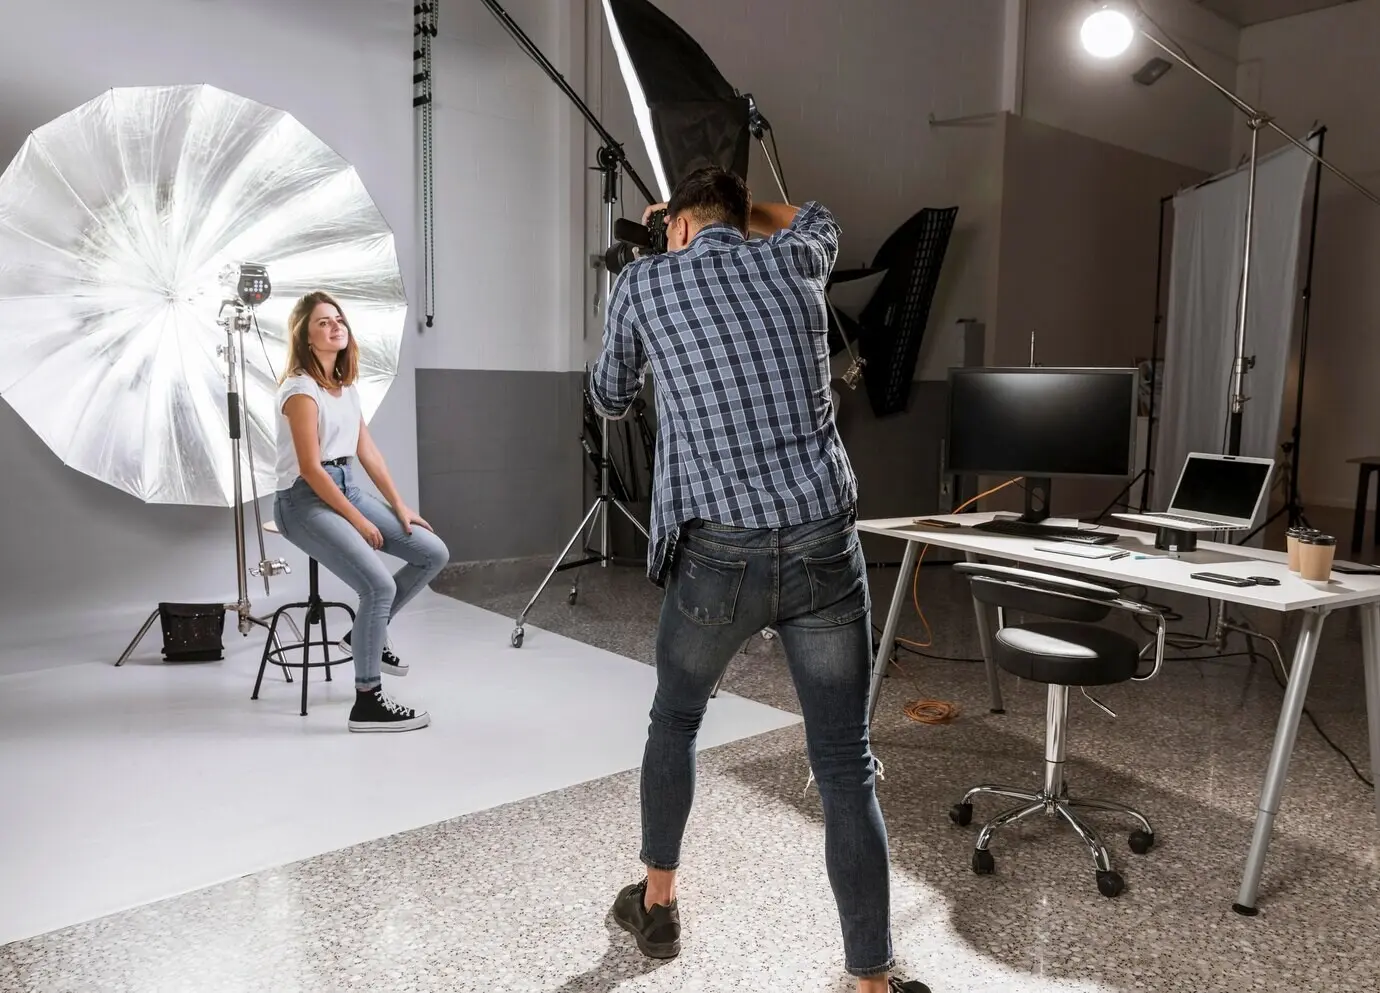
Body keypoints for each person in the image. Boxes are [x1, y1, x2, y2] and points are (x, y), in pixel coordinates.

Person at [590, 168, 927, 993]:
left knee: (676, 720)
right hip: (823, 548)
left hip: (718, 556)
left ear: (675, 226)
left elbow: (609, 397)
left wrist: (664, 255)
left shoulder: (643, 282)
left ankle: (657, 902)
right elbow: (820, 214)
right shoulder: (794, 257)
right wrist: (746, 216)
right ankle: (870, 982)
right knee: (844, 763)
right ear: (741, 220)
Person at [273, 290, 449, 733]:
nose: (335, 326)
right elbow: (311, 469)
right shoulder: (300, 390)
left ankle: (363, 635)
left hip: (346, 487)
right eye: (322, 322)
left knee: (432, 552)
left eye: (338, 319)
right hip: (302, 499)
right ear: (306, 337)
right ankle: (368, 702)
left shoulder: (345, 387)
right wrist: (359, 520)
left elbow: (367, 453)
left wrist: (399, 505)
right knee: (377, 585)